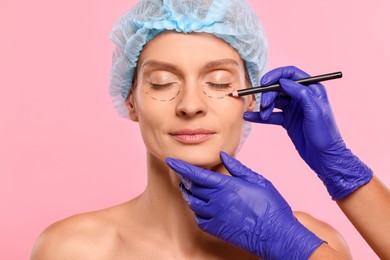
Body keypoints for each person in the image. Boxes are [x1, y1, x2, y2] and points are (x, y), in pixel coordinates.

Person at [30, 0, 352, 259]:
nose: (190, 104)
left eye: (219, 82)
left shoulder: (313, 247)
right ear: (131, 101)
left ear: (251, 99)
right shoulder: (70, 251)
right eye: (162, 83)